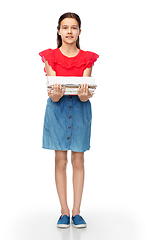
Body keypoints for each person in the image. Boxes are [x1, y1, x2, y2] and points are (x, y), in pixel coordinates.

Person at [39, 12, 99, 228]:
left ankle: (77, 212)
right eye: (65, 27)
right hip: (57, 110)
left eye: (74, 28)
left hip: (81, 109)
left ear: (79, 32)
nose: (69, 32)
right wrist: (56, 93)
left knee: (78, 160)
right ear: (59, 31)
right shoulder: (49, 57)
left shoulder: (87, 58)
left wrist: (84, 93)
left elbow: (84, 95)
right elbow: (53, 95)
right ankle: (64, 212)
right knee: (60, 160)